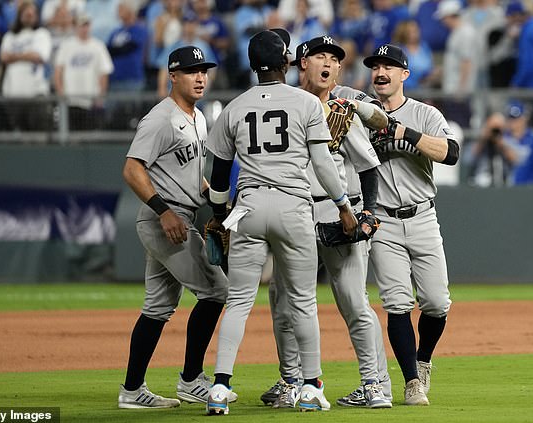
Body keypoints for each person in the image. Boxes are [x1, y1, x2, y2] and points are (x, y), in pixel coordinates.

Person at [204, 28, 357, 415]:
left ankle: (220, 387)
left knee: (238, 301)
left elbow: (219, 178)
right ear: (288, 62)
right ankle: (310, 387)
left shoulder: (233, 108)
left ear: (254, 65)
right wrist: (342, 204)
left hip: (250, 206)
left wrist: (222, 217)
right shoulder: (306, 103)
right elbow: (322, 164)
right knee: (303, 302)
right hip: (292, 205)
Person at [260, 35, 392, 410]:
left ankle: (374, 385)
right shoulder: (283, 106)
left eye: (334, 59)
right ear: (302, 63)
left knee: (353, 301)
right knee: (283, 301)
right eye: (320, 56)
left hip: (339, 214)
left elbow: (368, 165)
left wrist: (366, 211)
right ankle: (291, 381)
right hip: (293, 214)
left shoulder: (340, 110)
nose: (329, 63)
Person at [117, 45, 231, 409]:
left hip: (180, 215)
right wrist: (164, 211)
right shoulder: (161, 118)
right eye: (191, 71)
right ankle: (191, 379)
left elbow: (193, 178)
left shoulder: (197, 117)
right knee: (217, 291)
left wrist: (219, 204)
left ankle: (132, 391)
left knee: (157, 308)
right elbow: (133, 169)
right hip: (164, 219)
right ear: (173, 75)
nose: (200, 77)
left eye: (204, 71)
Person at [363, 43, 460, 406]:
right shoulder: (361, 115)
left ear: (405, 74)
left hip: (422, 215)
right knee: (397, 303)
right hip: (384, 220)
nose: (381, 72)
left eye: (389, 66)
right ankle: (410, 381)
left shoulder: (424, 113)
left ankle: (423, 361)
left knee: (436, 303)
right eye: (375, 66)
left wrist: (406, 133)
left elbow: (451, 153)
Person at [53, 14, 114, 130]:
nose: (84, 29)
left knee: (90, 134)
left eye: (87, 25)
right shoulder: (66, 45)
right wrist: (61, 93)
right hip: (70, 100)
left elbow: (104, 73)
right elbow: (58, 72)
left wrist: (100, 97)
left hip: (90, 101)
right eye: (81, 25)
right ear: (76, 27)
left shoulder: (98, 46)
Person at [0, 0, 52, 131]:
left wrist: (14, 56)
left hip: (36, 92)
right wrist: (26, 55)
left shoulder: (42, 34)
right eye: (26, 14)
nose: (29, 16)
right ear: (19, 16)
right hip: (13, 92)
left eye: (32, 14)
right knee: (18, 134)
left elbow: (39, 56)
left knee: (38, 133)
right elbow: (4, 57)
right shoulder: (10, 36)